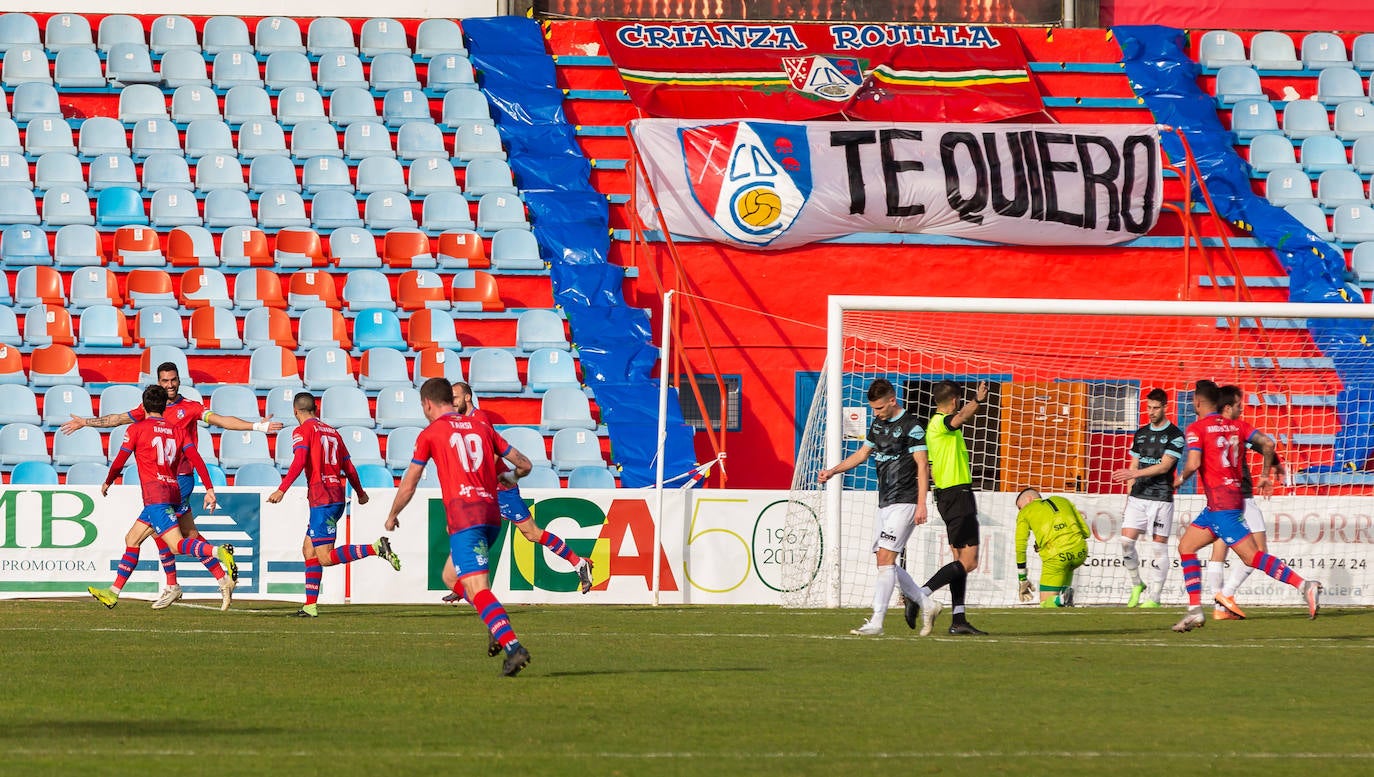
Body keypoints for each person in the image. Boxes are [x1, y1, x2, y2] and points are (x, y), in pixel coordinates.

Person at [61, 362, 283, 610]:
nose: (169, 385)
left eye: (173, 380)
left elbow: (221, 420)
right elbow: (116, 419)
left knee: (164, 539)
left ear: (179, 380)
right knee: (180, 535)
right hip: (165, 481)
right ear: (159, 382)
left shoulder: (189, 408)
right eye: (165, 381)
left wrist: (257, 426)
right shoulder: (149, 408)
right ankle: (214, 580)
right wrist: (86, 422)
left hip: (180, 480)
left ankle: (160, 584)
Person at [385, 377, 536, 677]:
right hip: (491, 514)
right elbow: (525, 464)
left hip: (466, 516)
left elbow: (410, 483)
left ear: (428, 404)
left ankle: (513, 646)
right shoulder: (482, 427)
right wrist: (512, 479)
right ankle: (494, 623)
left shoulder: (431, 433)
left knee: (478, 589)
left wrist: (392, 514)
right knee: (450, 576)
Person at [1170, 380, 1321, 632]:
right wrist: (1265, 474)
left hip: (1222, 504)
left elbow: (1194, 463)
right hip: (1228, 501)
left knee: (1253, 557)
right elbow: (1269, 445)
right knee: (1186, 546)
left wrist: (1179, 480)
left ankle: (1305, 585)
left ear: (1197, 401)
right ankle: (1195, 610)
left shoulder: (1197, 428)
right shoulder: (1237, 426)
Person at [439, 382, 594, 610]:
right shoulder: (462, 421)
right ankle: (461, 582)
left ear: (468, 397)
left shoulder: (479, 419)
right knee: (461, 529)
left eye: (455, 397)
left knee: (531, 533)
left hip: (499, 489)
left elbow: (490, 454)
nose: (452, 401)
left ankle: (579, 563)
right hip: (484, 489)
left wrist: (480, 479)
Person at [88, 385, 238, 611]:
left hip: (155, 494)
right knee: (133, 539)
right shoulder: (177, 430)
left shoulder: (137, 429)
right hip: (175, 489)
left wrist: (109, 480)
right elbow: (196, 459)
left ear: (145, 405)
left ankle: (218, 552)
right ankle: (113, 592)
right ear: (163, 404)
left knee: (176, 545)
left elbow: (120, 460)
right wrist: (208, 487)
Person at [266, 392, 402, 618]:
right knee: (308, 550)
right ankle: (310, 606)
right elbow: (348, 467)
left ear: (295, 411)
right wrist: (360, 493)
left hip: (322, 497)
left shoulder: (302, 431)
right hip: (336, 494)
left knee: (325, 557)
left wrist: (282, 489)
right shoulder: (333, 433)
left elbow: (300, 461)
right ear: (316, 409)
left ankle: (376, 548)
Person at [818, 378, 932, 636]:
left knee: (885, 558)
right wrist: (833, 471)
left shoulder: (912, 427)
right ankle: (927, 602)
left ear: (892, 400)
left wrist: (922, 504)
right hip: (885, 502)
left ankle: (877, 621)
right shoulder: (877, 424)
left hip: (907, 501)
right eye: (873, 409)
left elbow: (922, 465)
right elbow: (861, 454)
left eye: (879, 408)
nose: (876, 413)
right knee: (883, 560)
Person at [903, 379, 989, 635]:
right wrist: (979, 400)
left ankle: (958, 619)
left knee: (959, 561)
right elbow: (960, 417)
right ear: (954, 401)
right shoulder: (941, 423)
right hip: (957, 495)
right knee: (970, 562)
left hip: (948, 496)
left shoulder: (935, 427)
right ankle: (919, 595)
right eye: (960, 401)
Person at [1206, 384, 1284, 621]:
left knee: (1220, 548)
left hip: (1216, 494)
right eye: (1240, 404)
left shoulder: (1206, 429)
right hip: (1240, 494)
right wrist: (1273, 467)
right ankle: (1224, 598)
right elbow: (1263, 445)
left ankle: (1219, 605)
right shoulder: (1236, 429)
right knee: (1258, 552)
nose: (1243, 408)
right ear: (1228, 406)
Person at [1109, 388, 1185, 608]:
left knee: (1159, 547)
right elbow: (1134, 464)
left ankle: (1155, 597)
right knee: (1125, 542)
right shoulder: (1140, 433)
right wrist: (1128, 494)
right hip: (1138, 497)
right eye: (1148, 407)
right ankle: (1137, 584)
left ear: (1165, 407)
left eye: (1155, 408)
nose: (1150, 412)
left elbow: (1165, 466)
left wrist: (1134, 473)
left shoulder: (1175, 435)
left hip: (1161, 497)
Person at [1013, 488, 1090, 608]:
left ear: (1029, 499)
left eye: (1019, 507)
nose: (1020, 510)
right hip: (1080, 552)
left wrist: (1022, 577)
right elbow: (1086, 532)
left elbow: (1020, 546)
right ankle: (1065, 595)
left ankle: (1062, 599)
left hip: (1057, 557)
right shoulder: (1063, 500)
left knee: (1046, 604)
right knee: (1067, 570)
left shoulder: (1025, 512)